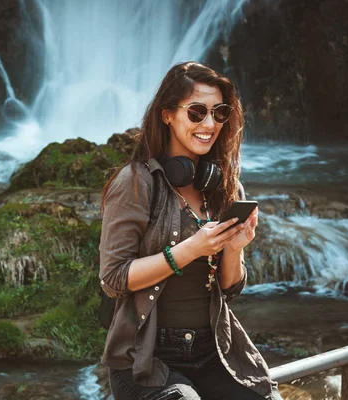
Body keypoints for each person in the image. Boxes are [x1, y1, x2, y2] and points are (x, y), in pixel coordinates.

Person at [99, 61, 282, 400]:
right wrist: (191, 249)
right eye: (197, 112)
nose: (209, 124)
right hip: (145, 358)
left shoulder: (225, 186)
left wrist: (234, 248)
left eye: (219, 112)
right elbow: (113, 278)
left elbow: (228, 288)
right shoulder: (135, 183)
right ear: (167, 114)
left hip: (214, 350)